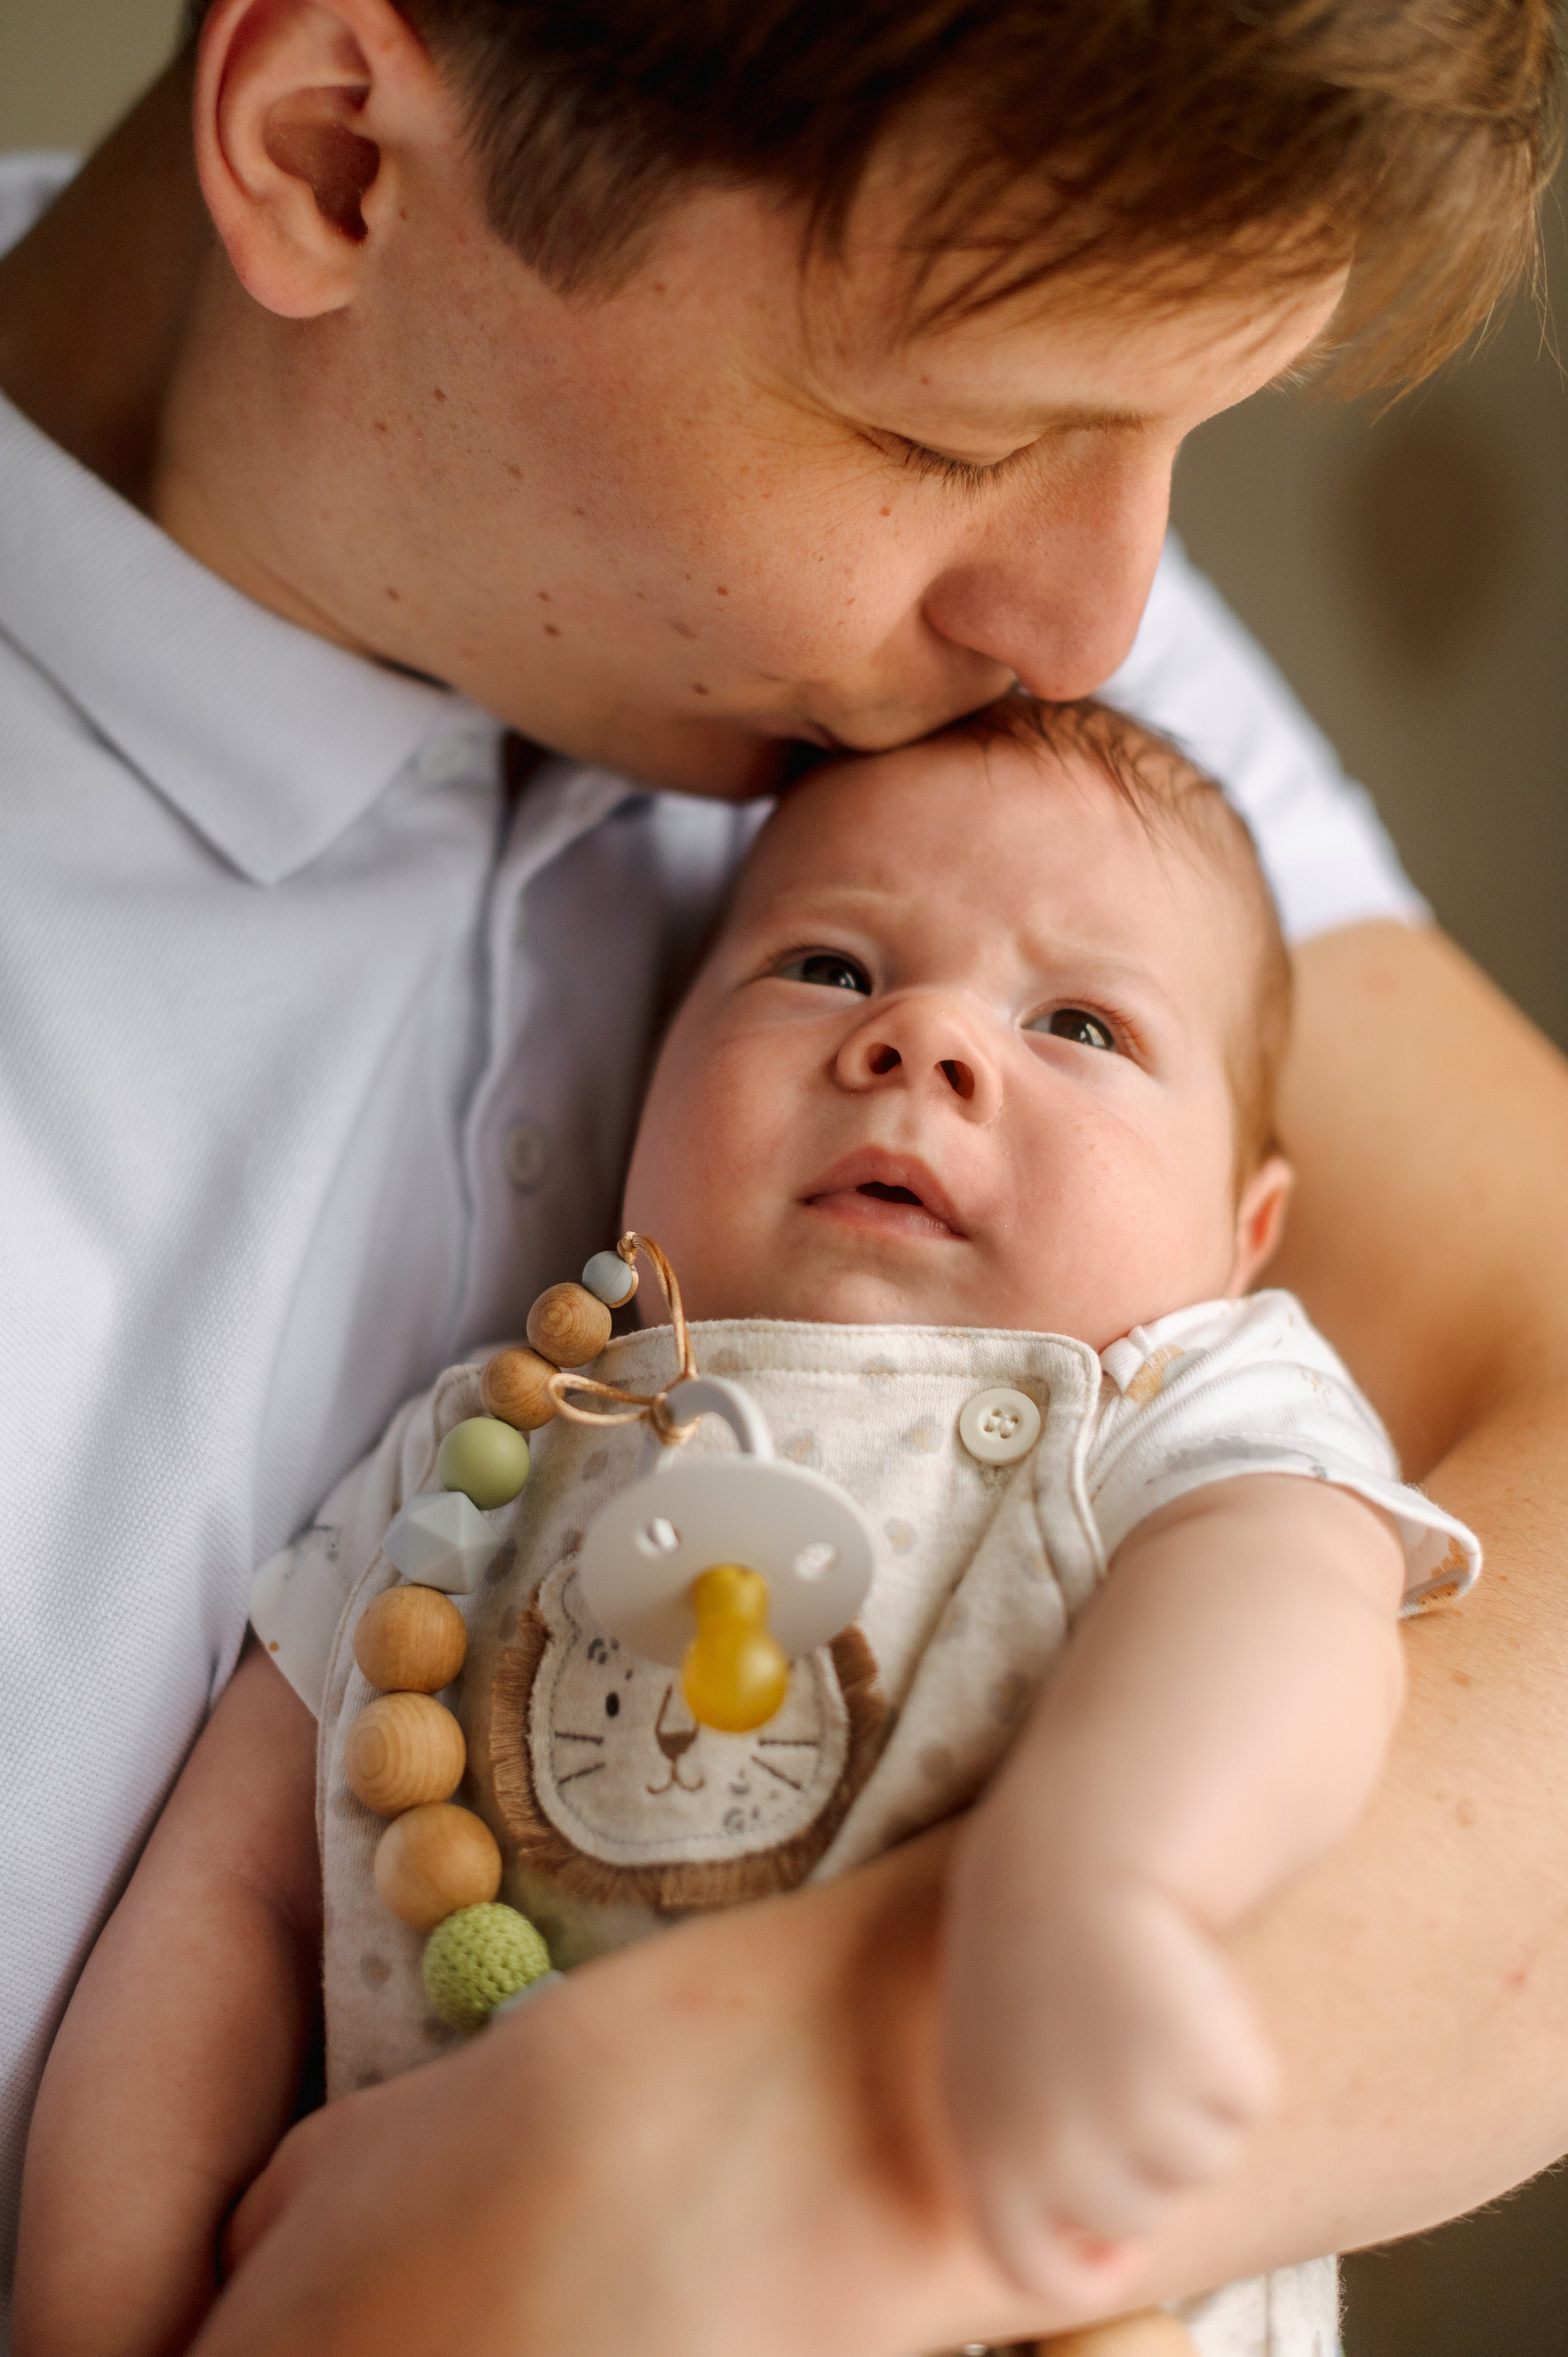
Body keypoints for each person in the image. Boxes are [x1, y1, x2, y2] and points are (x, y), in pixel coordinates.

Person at [0, 0, 1561, 2349]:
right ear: (334, 156)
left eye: (1185, 440)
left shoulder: (1005, 726)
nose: (1100, 629)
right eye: (955, 434)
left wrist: (812, 2122)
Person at [16, 700, 1483, 2357]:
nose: (924, 1042)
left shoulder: (1176, 1408)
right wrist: (94, 2299)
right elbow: (234, 1899)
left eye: (1078, 1023)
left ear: (1246, 1230)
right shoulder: (483, 1446)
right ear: (646, 1077)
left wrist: (1111, 1874)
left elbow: (1292, 1611)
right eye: (830, 971)